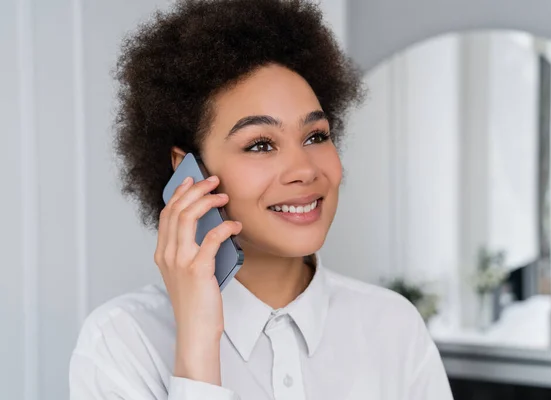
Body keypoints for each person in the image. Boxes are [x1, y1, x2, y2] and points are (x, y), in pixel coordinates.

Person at [69, 0, 453, 399]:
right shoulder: (122, 341)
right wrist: (198, 343)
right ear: (188, 171)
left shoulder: (393, 326)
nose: (304, 169)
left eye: (316, 136)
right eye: (260, 144)